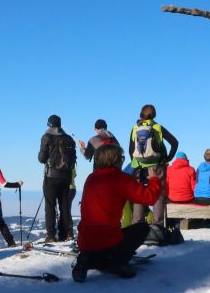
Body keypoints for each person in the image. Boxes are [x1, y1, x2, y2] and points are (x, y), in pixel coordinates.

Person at [73, 144, 161, 282]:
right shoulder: (121, 179)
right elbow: (149, 197)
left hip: (85, 241)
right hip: (109, 240)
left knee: (97, 242)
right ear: (115, 160)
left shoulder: (91, 178)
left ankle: (84, 261)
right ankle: (118, 262)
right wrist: (154, 179)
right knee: (142, 228)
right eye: (121, 158)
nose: (122, 161)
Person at [128, 104, 178, 227]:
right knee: (159, 195)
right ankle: (158, 226)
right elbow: (174, 142)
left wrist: (136, 162)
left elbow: (131, 149)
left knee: (139, 195)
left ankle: (137, 225)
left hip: (139, 166)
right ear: (154, 114)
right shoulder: (157, 127)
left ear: (141, 114)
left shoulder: (135, 128)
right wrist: (168, 158)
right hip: (157, 165)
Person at [38, 114, 77, 242]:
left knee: (50, 206)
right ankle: (65, 234)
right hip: (66, 177)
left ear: (49, 124)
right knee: (64, 206)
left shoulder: (46, 137)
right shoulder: (69, 139)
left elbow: (41, 159)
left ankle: (51, 236)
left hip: (51, 176)